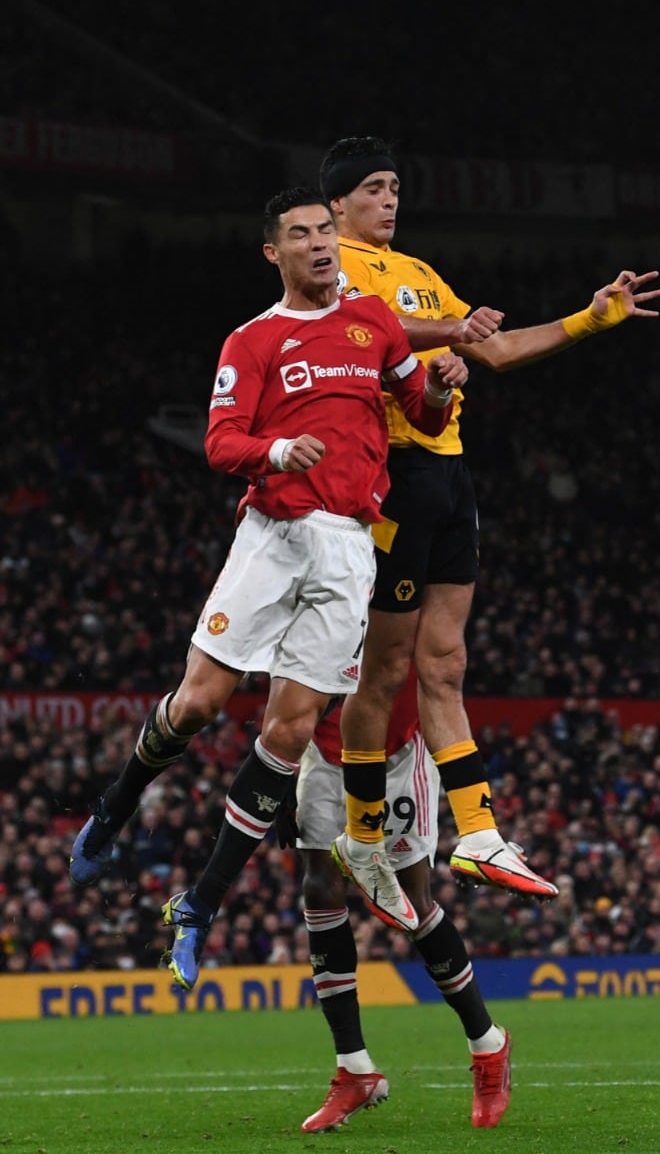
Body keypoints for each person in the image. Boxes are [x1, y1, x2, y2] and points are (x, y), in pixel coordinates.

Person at [69, 185, 468, 988]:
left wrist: (438, 386)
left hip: (351, 549)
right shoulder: (252, 341)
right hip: (274, 537)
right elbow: (220, 442)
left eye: (326, 230)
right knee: (201, 703)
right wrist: (274, 452)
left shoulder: (377, 324)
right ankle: (115, 805)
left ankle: (199, 904)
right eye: (302, 234)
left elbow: (420, 415)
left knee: (287, 735)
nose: (321, 244)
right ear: (273, 252)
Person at [319, 136, 660, 930]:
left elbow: (494, 346)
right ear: (336, 204)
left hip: (448, 472)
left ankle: (477, 834)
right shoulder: (333, 265)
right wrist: (448, 337)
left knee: (445, 660)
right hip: (392, 475)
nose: (389, 199)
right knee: (386, 669)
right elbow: (367, 343)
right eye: (373, 188)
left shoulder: (418, 273)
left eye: (396, 185)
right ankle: (364, 836)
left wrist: (589, 318)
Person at [297, 672, 511, 1133]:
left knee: (412, 905)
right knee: (319, 887)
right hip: (322, 751)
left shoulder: (399, 602)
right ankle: (354, 1069)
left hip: (391, 756)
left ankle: (487, 1043)